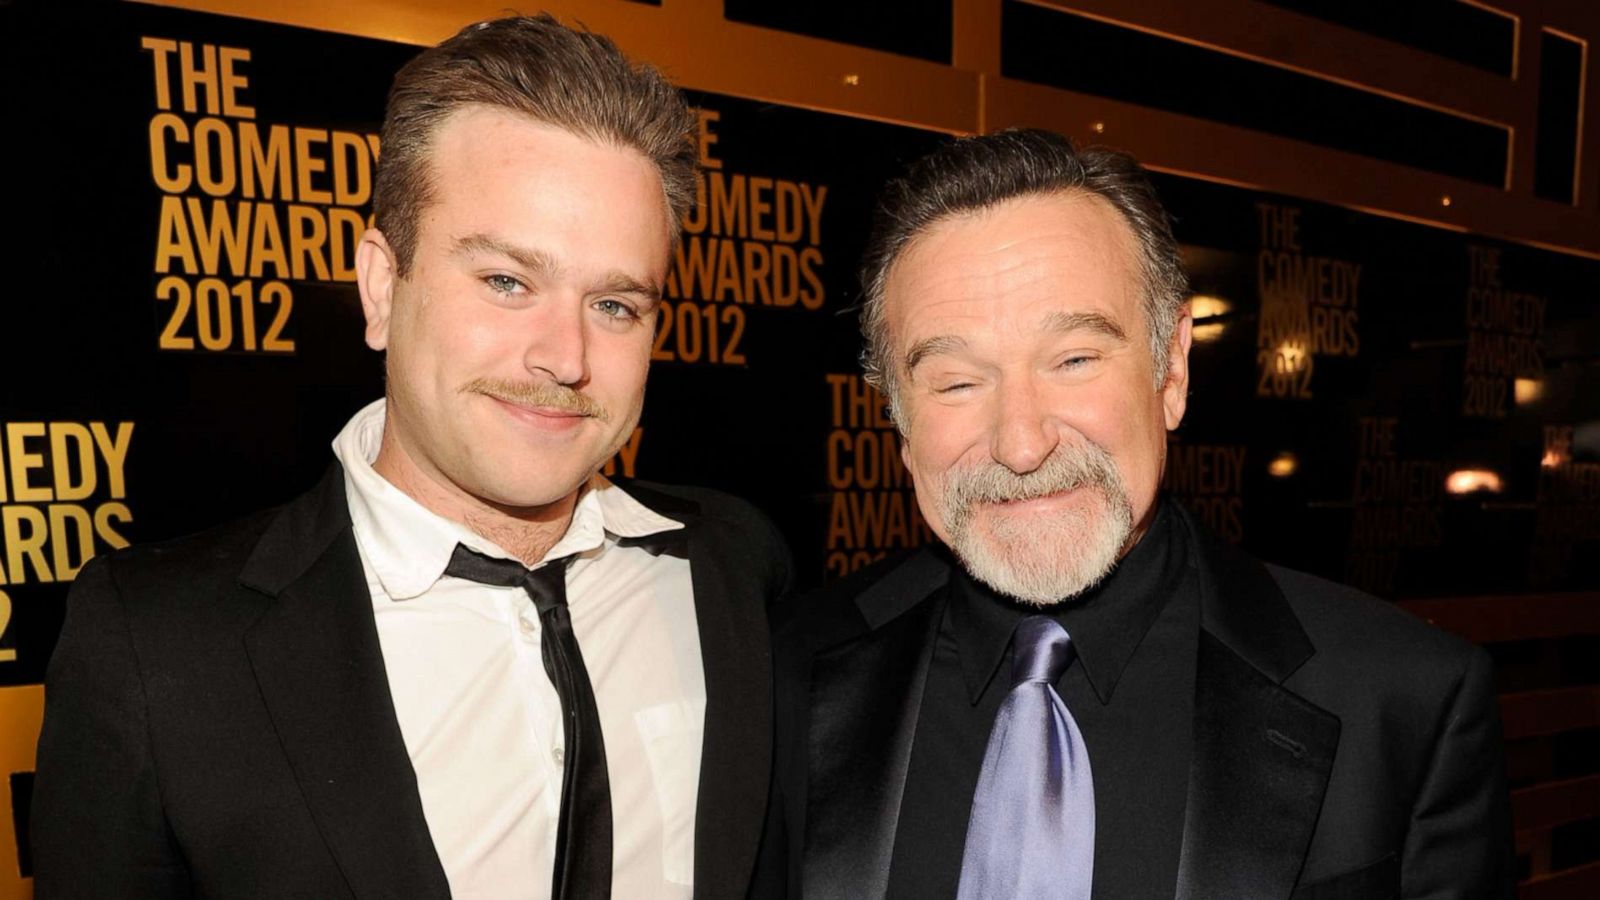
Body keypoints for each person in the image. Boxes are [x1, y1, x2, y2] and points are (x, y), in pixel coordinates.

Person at [32, 15, 790, 900]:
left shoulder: (732, 565)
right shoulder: (158, 649)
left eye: (617, 304)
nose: (567, 356)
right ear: (383, 287)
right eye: (507, 281)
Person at [754, 129, 1512, 899]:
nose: (1021, 444)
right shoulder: (782, 673)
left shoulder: (1401, 702)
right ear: (899, 420)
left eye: (1075, 360)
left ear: (1172, 367)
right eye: (955, 382)